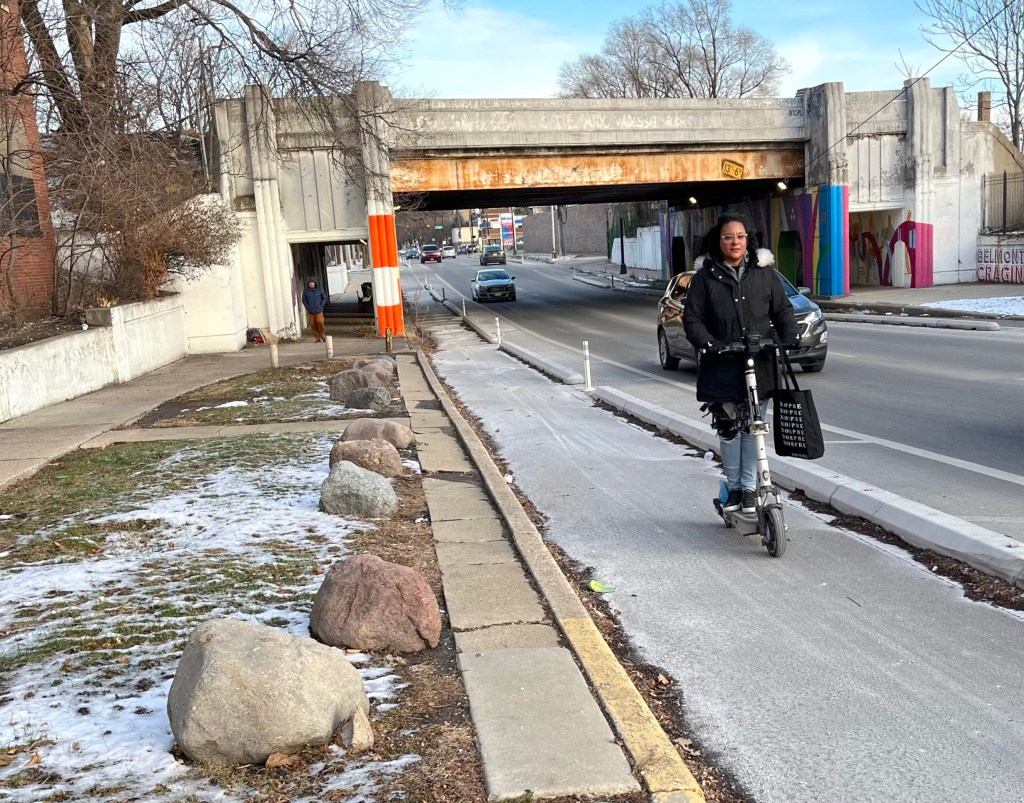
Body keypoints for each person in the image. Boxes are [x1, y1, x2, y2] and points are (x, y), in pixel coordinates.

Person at [683, 213, 798, 515]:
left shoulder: (764, 273)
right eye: (728, 237)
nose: (735, 242)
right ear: (718, 241)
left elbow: (782, 309)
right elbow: (692, 318)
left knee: (753, 428)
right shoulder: (705, 277)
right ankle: (734, 486)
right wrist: (707, 342)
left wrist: (789, 335)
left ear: (748, 239)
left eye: (740, 236)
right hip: (721, 365)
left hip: (758, 364)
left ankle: (749, 489)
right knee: (730, 429)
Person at [302, 277, 327, 342]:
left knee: (320, 322)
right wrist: (308, 307)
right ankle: (317, 338)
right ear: (308, 284)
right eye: (310, 283)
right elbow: (304, 300)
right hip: (311, 311)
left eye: (312, 282)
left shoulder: (320, 289)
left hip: (319, 310)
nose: (311, 284)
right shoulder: (306, 291)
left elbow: (324, 298)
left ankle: (322, 335)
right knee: (313, 324)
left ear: (315, 283)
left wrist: (321, 306)